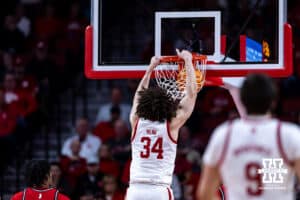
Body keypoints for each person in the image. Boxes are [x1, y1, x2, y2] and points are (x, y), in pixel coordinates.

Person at [196, 73, 300, 200]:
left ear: (243, 101)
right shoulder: (289, 134)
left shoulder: (223, 134)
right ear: (274, 101)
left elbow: (205, 193)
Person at [126, 49, 200, 200]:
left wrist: (150, 68)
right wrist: (188, 61)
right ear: (167, 105)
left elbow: (138, 96)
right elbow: (192, 94)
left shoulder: (136, 121)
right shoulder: (171, 125)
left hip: (135, 189)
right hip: (158, 189)